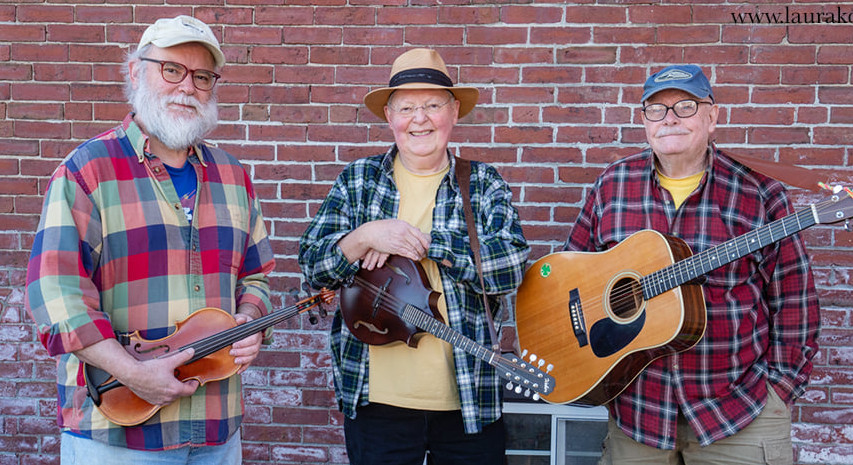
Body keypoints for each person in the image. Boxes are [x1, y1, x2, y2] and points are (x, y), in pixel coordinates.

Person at [25, 15, 274, 464]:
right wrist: (132, 373)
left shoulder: (234, 177)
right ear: (136, 72)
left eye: (202, 76)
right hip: (116, 432)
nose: (187, 87)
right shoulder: (87, 170)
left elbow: (255, 276)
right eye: (172, 69)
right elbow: (55, 296)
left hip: (217, 431)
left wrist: (250, 321)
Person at [564, 64, 820, 464]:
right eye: (656, 109)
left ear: (712, 116)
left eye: (685, 106)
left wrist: (780, 388)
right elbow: (570, 276)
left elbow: (795, 302)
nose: (669, 118)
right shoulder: (612, 186)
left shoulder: (760, 193)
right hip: (638, 414)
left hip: (739, 411)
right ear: (644, 121)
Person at [298, 48, 529, 464]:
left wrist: (424, 242)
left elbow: (511, 266)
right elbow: (313, 264)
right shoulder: (358, 181)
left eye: (432, 105)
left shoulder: (482, 183)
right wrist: (366, 236)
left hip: (469, 402)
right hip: (375, 403)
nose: (419, 119)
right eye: (406, 107)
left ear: (453, 112)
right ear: (390, 116)